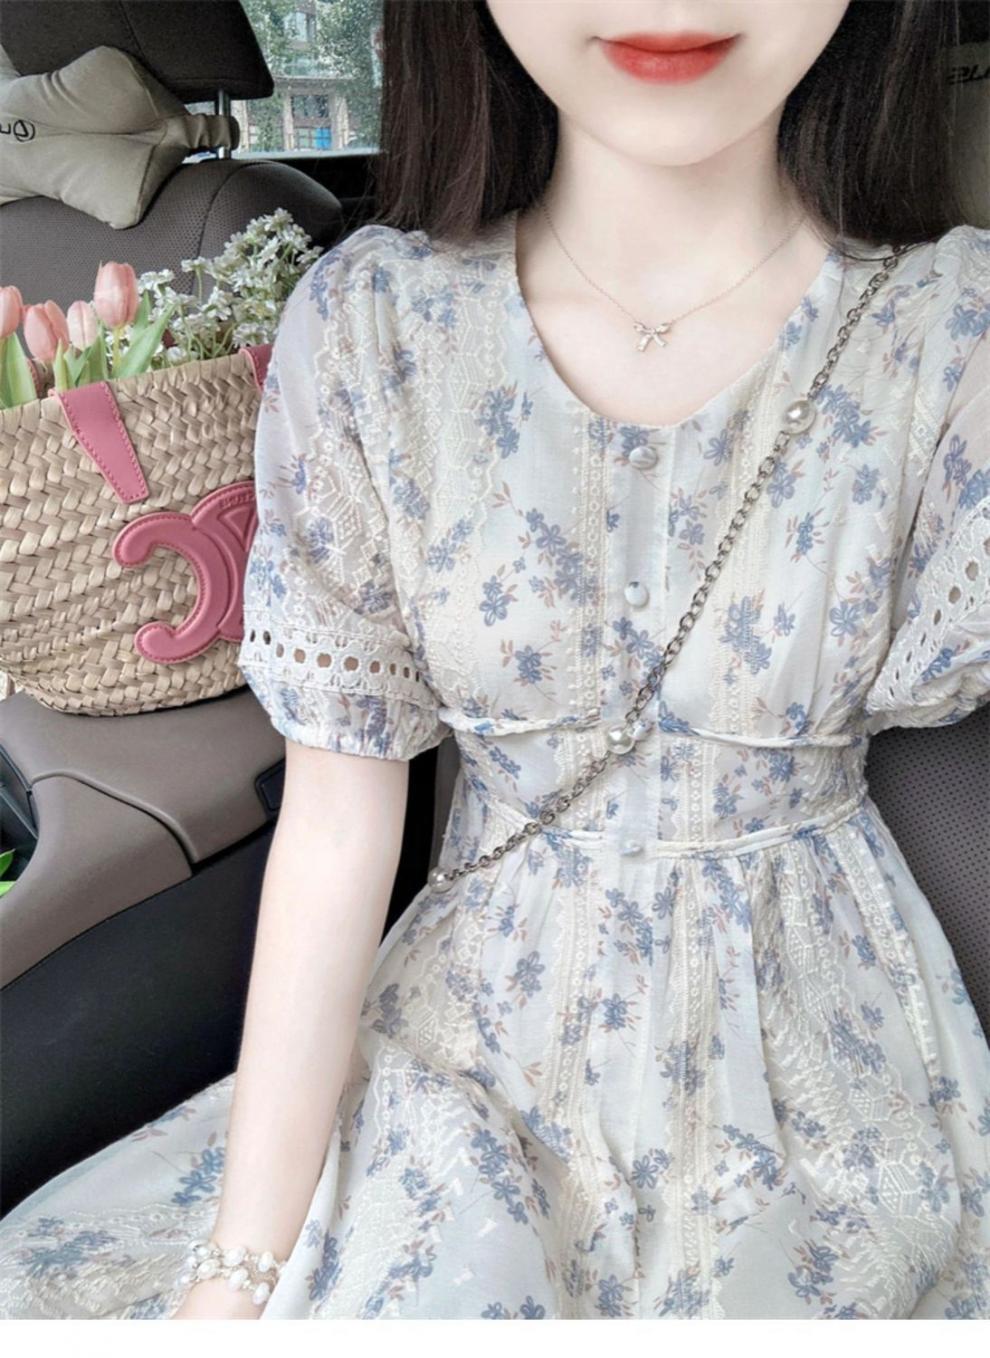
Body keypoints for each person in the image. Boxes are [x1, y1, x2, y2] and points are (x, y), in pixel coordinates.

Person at [0, 0, 987, 1321]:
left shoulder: (952, 334)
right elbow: (338, 822)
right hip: (471, 1026)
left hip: (815, 1048)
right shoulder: (374, 328)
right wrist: (237, 1268)